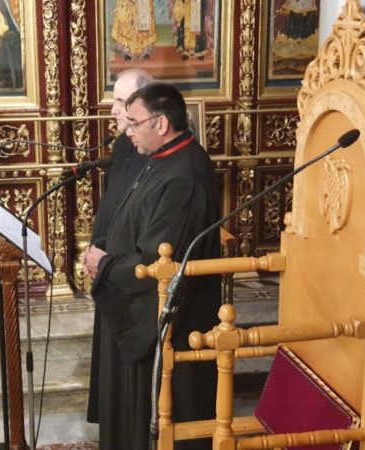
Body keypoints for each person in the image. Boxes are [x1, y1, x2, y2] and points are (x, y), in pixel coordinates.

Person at [84, 82, 221, 450]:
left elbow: (161, 260)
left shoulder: (185, 174)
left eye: (134, 123)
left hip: (171, 317)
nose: (128, 131)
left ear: (161, 124)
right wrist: (104, 250)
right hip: (135, 288)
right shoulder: (163, 158)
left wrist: (107, 266)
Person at [85, 68, 153, 425]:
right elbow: (111, 204)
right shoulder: (124, 145)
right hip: (108, 263)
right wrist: (94, 248)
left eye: (121, 102)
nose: (113, 110)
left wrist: (110, 259)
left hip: (131, 269)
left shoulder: (153, 151)